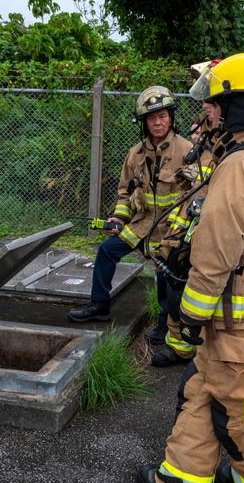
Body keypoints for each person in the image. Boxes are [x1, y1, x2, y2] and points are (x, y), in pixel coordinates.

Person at [137, 53, 244, 483]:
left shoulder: (243, 165)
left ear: (237, 104)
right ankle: (184, 479)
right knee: (202, 389)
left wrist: (190, 312)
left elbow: (218, 249)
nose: (210, 111)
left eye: (217, 102)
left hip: (242, 316)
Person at [68, 86, 190, 325]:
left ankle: (165, 325)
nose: (157, 123)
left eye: (162, 116)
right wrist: (120, 218)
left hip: (170, 230)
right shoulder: (135, 154)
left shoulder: (186, 152)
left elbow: (192, 194)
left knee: (166, 273)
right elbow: (125, 192)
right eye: (152, 118)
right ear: (144, 123)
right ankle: (99, 305)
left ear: (171, 118)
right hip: (141, 225)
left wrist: (179, 232)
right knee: (106, 250)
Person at [149, 63, 223, 368]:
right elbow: (197, 175)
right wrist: (181, 175)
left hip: (207, 222)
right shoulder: (209, 131)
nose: (204, 105)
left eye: (210, 99)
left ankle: (194, 347)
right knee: (175, 278)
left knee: (192, 284)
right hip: (185, 220)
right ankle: (180, 346)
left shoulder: (235, 138)